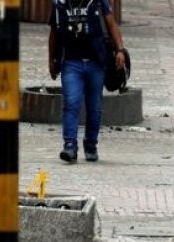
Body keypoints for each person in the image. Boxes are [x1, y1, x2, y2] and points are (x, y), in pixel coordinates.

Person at [48, 0, 125, 163]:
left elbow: (112, 25)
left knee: (95, 107)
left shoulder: (98, 2)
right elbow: (54, 32)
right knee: (71, 103)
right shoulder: (59, 4)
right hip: (71, 63)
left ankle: (90, 144)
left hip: (96, 62)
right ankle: (70, 145)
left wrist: (120, 50)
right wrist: (52, 60)